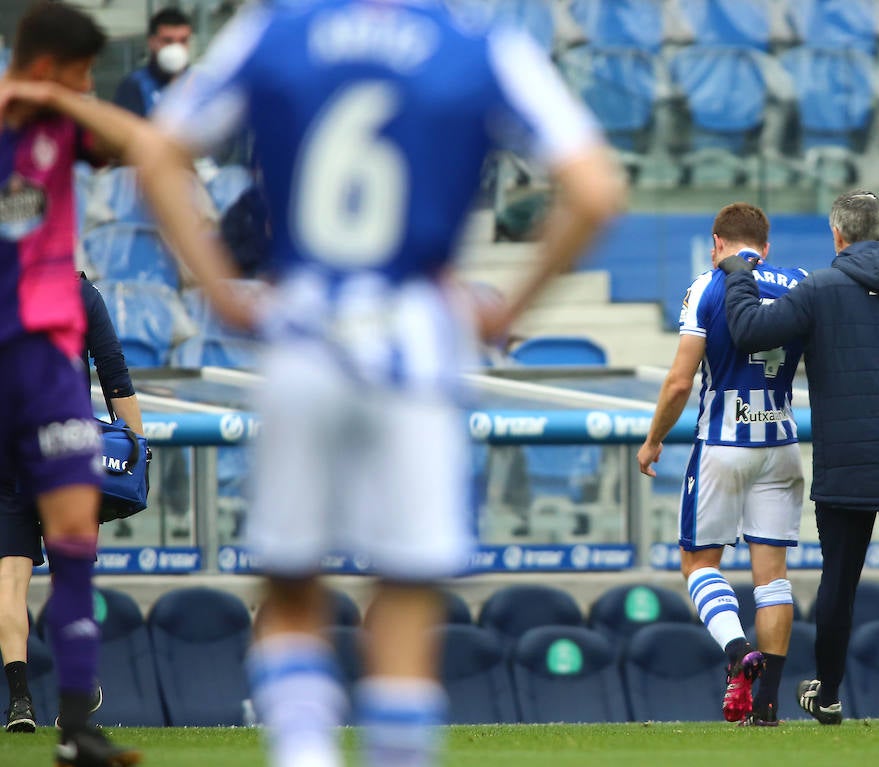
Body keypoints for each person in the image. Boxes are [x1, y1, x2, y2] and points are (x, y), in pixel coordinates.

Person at [131, 1, 623, 765]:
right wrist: (510, 307)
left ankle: (303, 753)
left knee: (292, 587)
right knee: (403, 593)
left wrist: (222, 288)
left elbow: (157, 151)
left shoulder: (276, 30)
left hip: (302, 336)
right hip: (414, 348)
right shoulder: (479, 44)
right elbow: (596, 188)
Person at [720, 190, 879, 725]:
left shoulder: (820, 289)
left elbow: (746, 331)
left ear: (838, 236)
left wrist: (739, 270)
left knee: (840, 581)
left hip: (846, 463)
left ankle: (828, 690)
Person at [0, 2, 152, 763]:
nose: (91, 85)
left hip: (55, 365)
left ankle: (74, 728)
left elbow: (146, 145)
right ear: (48, 62)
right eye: (83, 71)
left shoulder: (61, 132)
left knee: (72, 542)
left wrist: (59, 101)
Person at [637, 202, 808, 726]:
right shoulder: (800, 283)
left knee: (698, 564)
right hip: (781, 444)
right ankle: (770, 705)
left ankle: (737, 652)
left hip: (722, 444)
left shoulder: (706, 286)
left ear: (716, 243)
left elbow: (681, 381)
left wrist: (653, 440)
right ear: (766, 246)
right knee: (772, 578)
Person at [2, 274, 145, 734]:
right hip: (66, 452)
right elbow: (115, 377)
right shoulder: (78, 291)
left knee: (9, 582)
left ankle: (20, 700)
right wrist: (137, 450)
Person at [112, 6, 192, 118]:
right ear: (151, 42)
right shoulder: (135, 85)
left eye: (183, 41)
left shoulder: (202, 83)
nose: (176, 48)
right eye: (167, 41)